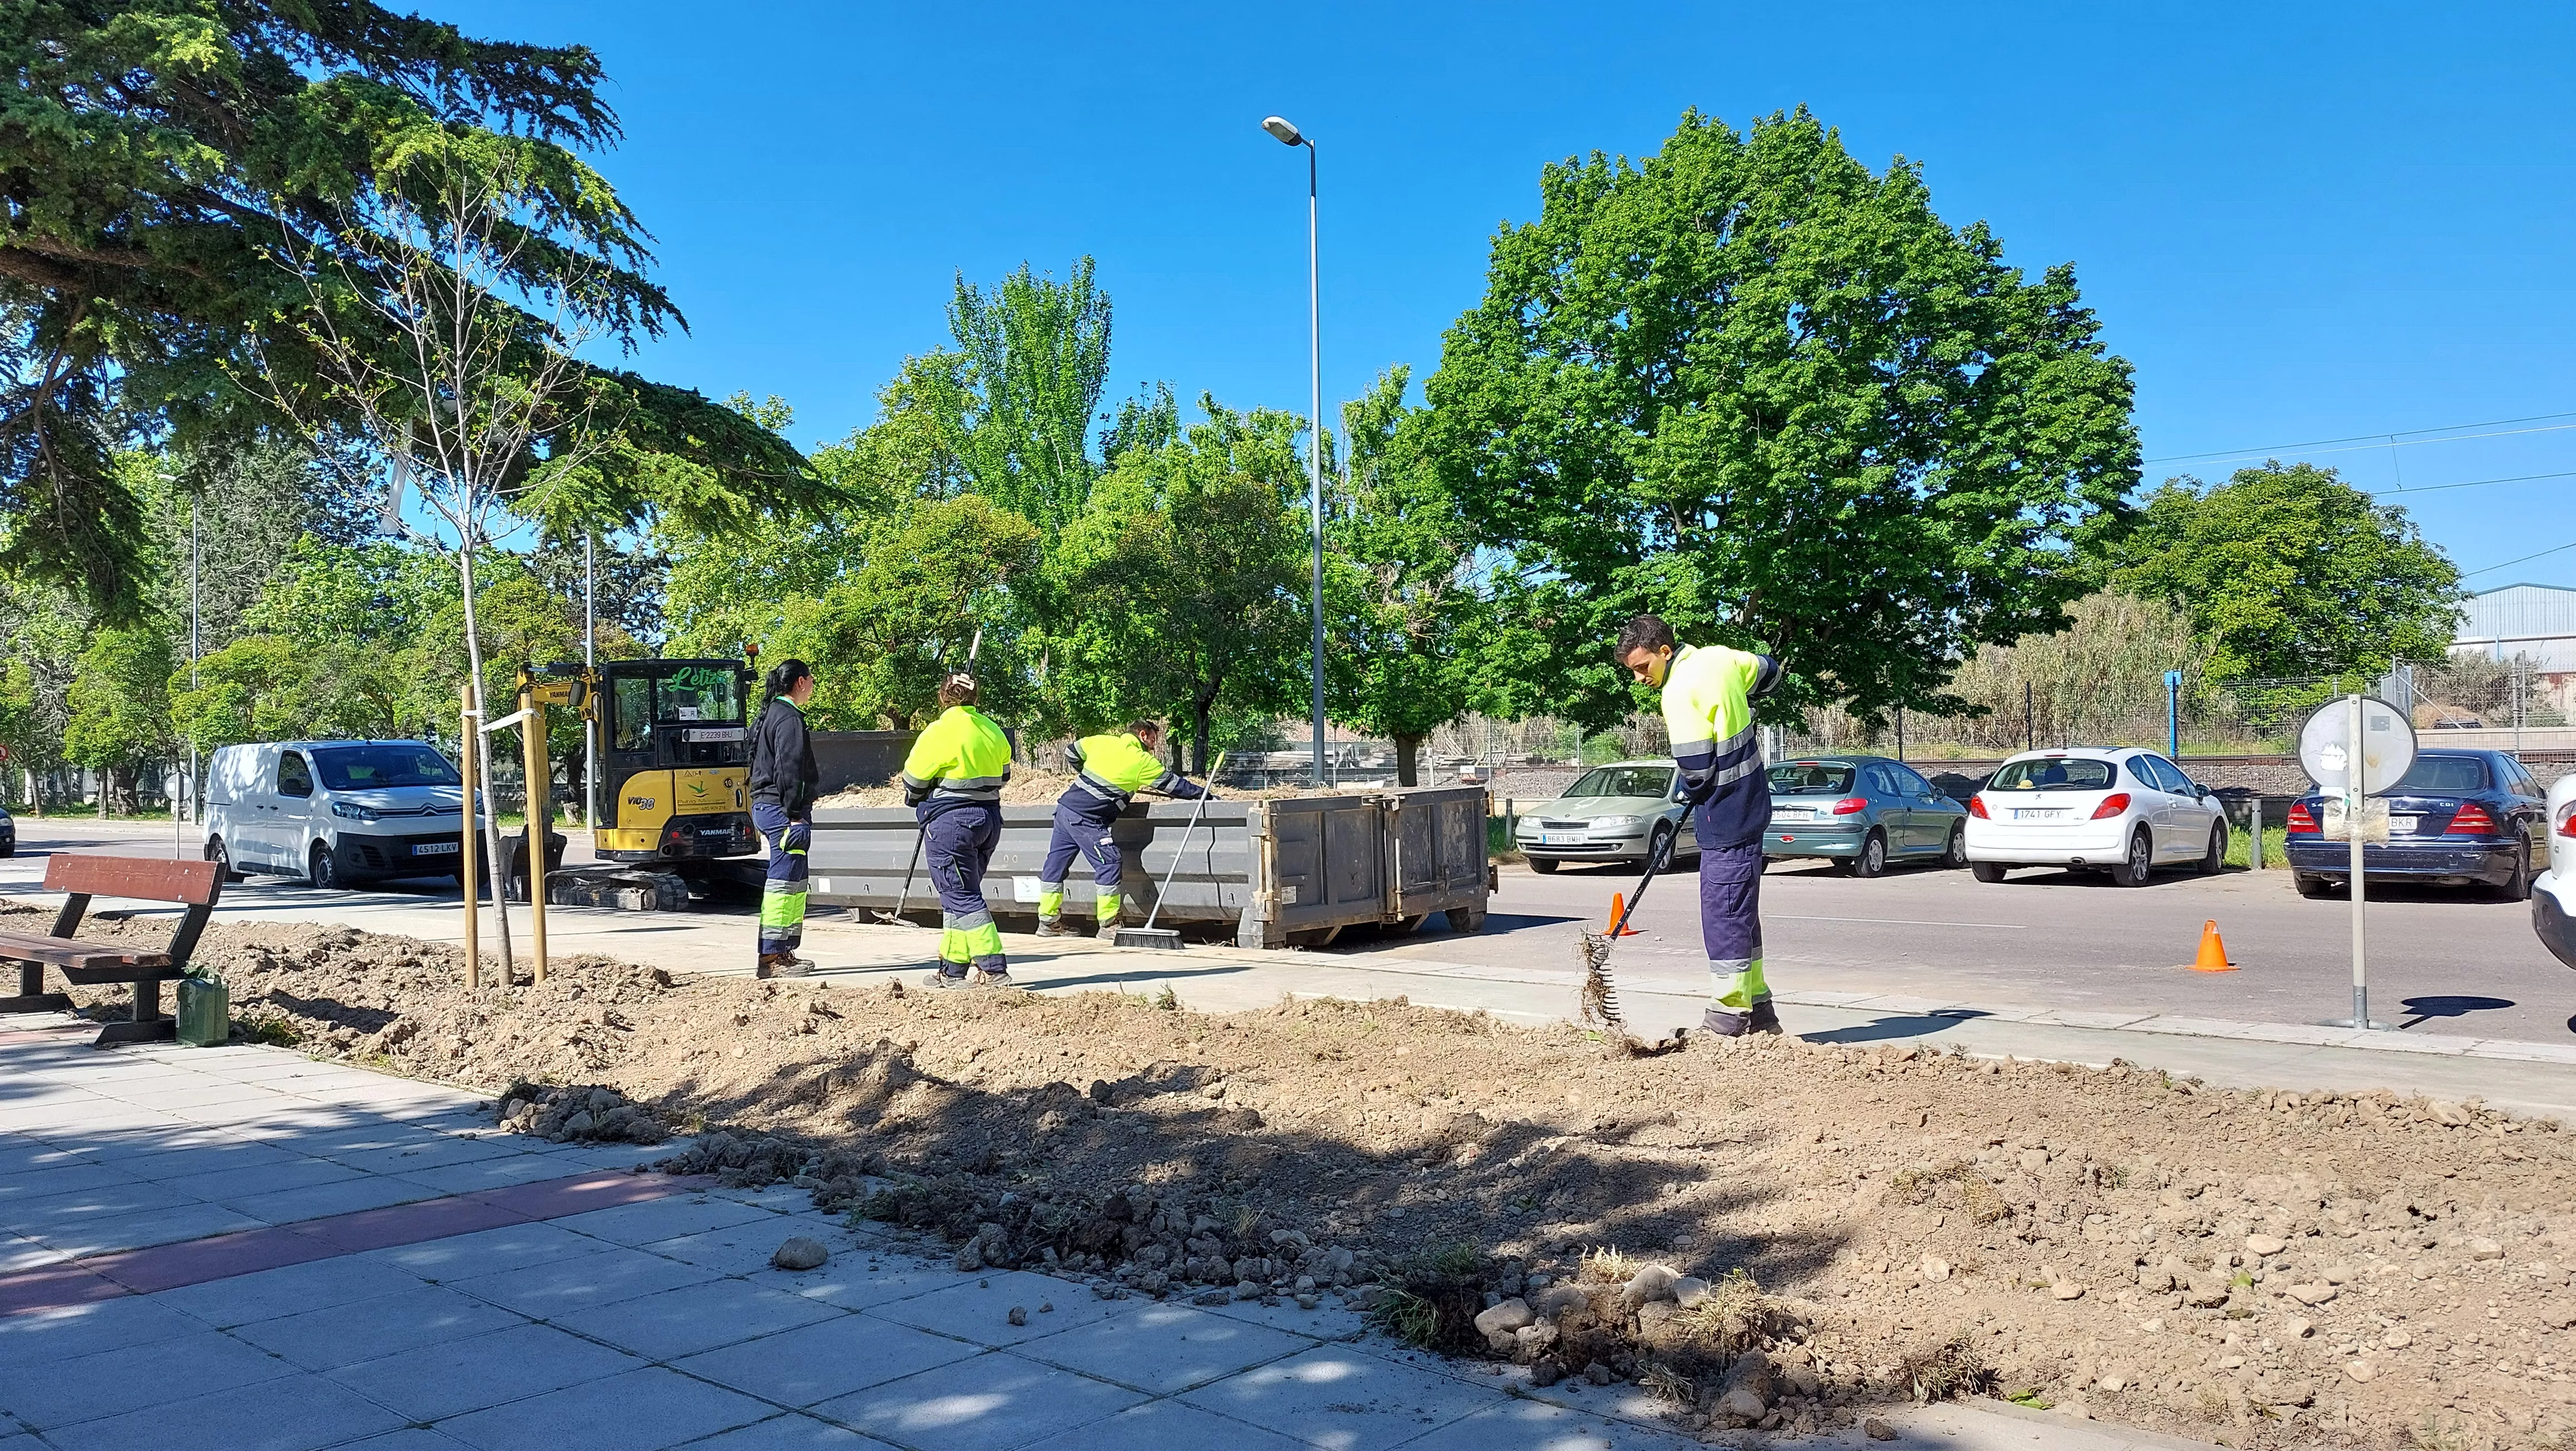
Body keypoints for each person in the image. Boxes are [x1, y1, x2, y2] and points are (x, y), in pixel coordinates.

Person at [1616, 614, 1785, 1037]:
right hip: (1752, 807)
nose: (1639, 678)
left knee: (1724, 913)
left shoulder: (1677, 693)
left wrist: (1688, 792)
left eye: (1643, 668)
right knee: (1742, 912)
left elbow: (1696, 770)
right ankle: (1760, 1011)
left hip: (1723, 815)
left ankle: (1727, 1019)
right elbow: (1770, 671)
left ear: (1664, 651)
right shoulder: (1719, 659)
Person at [1035, 720, 1208, 938]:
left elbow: (1071, 751)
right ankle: (1109, 926)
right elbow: (1176, 786)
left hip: (1065, 811)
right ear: (1143, 735)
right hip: (1087, 818)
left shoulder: (1102, 742)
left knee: (1056, 866)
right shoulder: (1141, 760)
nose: (1154, 746)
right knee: (1110, 862)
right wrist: (1207, 794)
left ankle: (1048, 923)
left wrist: (1086, 773)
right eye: (1154, 740)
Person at [901, 671, 1013, 986]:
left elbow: (913, 781)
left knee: (961, 895)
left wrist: (923, 795)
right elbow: (1004, 777)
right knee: (958, 895)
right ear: (976, 698)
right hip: (989, 820)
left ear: (942, 697)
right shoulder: (994, 731)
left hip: (952, 823)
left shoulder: (938, 732)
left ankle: (993, 968)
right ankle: (952, 972)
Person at [748, 658, 820, 979]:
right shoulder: (789, 718)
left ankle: (780, 953)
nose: (814, 684)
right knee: (784, 884)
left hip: (767, 806)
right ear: (800, 682)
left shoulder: (769, 716)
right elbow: (789, 770)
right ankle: (773, 957)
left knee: (789, 883)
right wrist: (794, 815)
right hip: (782, 811)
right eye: (811, 678)